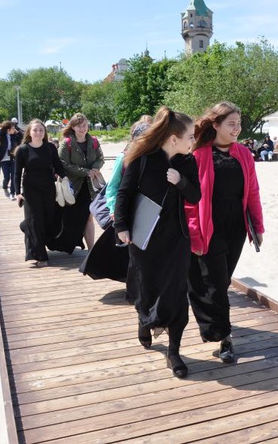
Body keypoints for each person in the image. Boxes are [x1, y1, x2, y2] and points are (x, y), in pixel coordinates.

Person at [114, 107, 200, 379]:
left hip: (176, 239)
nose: (193, 142)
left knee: (176, 295)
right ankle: (144, 319)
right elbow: (124, 194)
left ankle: (174, 351)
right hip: (144, 238)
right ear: (173, 138)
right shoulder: (142, 158)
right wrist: (121, 226)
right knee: (146, 288)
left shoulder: (187, 162)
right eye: (190, 136)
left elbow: (196, 196)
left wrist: (181, 181)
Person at [185, 101, 264, 364]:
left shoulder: (243, 154)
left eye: (239, 124)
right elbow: (190, 202)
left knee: (222, 280)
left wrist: (257, 226)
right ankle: (224, 338)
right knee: (216, 284)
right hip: (210, 228)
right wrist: (195, 234)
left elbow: (252, 191)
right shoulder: (198, 155)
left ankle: (217, 323)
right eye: (231, 124)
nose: (237, 129)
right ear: (215, 125)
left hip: (236, 228)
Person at [80, 115, 153, 303]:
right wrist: (114, 210)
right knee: (132, 253)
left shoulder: (156, 157)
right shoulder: (125, 156)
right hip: (127, 211)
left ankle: (142, 289)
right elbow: (113, 187)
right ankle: (135, 292)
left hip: (147, 211)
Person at [14, 119, 67, 268]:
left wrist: (65, 180)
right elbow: (17, 173)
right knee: (35, 221)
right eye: (35, 130)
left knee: (48, 220)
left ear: (44, 133)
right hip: (30, 190)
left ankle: (26, 226)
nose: (38, 133)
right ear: (29, 132)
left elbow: (58, 166)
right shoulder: (23, 150)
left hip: (48, 189)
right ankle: (40, 256)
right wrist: (17, 192)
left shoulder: (50, 148)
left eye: (41, 130)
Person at [56, 113, 105, 252]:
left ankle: (91, 250)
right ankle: (64, 243)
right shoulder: (67, 143)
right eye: (79, 126)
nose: (83, 128)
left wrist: (95, 168)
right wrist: (85, 171)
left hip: (91, 186)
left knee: (89, 216)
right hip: (73, 188)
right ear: (73, 127)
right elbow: (63, 164)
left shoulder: (94, 141)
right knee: (69, 218)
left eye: (84, 125)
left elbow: (100, 158)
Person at [0, 120, 22, 200]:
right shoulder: (2, 136)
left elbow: (21, 138)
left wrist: (17, 132)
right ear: (8, 129)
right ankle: (5, 186)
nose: (14, 129)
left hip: (13, 159)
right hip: (4, 159)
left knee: (13, 177)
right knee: (7, 177)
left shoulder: (15, 136)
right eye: (12, 128)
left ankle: (12, 193)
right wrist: (4, 128)